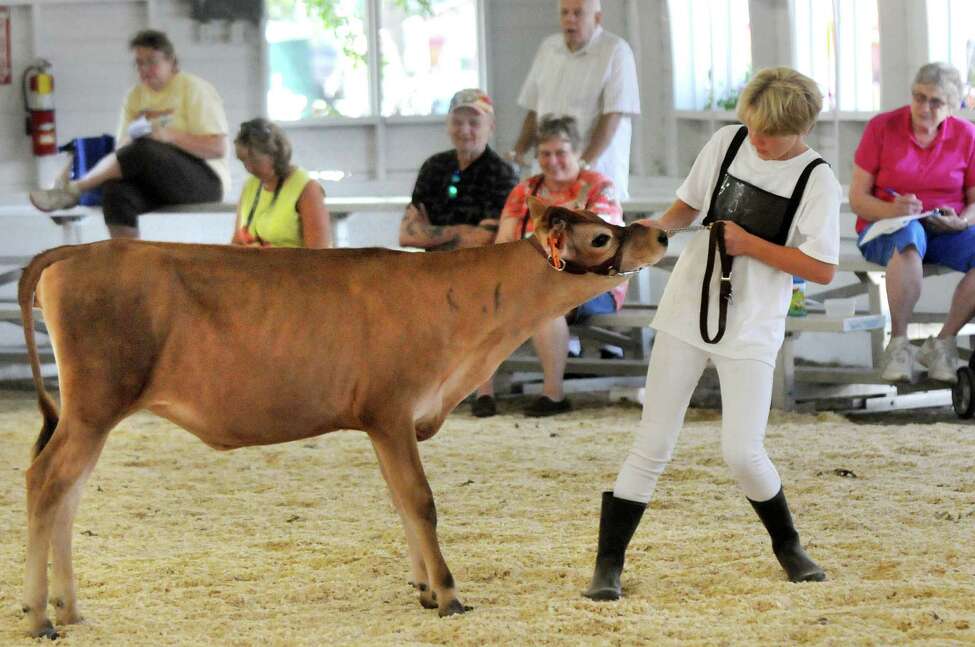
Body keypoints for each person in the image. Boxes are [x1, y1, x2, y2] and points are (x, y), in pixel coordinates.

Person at [583, 67, 840, 601]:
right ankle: (608, 565)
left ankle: (788, 545)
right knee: (653, 441)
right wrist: (638, 238)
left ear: (801, 130)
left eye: (769, 134)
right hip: (686, 311)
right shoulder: (727, 142)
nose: (758, 141)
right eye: (753, 128)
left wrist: (750, 245)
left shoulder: (817, 179)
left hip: (752, 324)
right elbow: (686, 208)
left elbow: (821, 269)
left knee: (742, 452)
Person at [30, 29, 230, 240]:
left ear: (171, 61)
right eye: (139, 63)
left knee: (145, 148)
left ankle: (74, 189)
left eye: (152, 62)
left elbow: (217, 148)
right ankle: (129, 264)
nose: (145, 69)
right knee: (115, 192)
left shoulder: (194, 89)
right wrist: (138, 139)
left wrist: (169, 136)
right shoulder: (135, 97)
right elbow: (123, 151)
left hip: (206, 181)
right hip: (155, 178)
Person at [491, 114, 626, 418]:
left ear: (578, 153)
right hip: (532, 280)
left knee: (545, 304)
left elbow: (600, 243)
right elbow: (504, 243)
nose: (552, 161)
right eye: (545, 154)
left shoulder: (599, 187)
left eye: (561, 152)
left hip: (594, 282)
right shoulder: (524, 191)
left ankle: (553, 393)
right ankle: (482, 393)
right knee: (484, 301)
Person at [849, 62, 975, 383]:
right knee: (908, 235)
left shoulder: (966, 135)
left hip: (944, 230)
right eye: (919, 97)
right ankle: (900, 343)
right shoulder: (883, 127)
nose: (924, 107)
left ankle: (943, 341)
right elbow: (858, 199)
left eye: (936, 102)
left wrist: (961, 221)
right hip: (886, 226)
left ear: (953, 106)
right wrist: (892, 210)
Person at [399, 88, 517, 418]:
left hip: (480, 268)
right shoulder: (434, 167)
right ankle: (422, 388)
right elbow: (407, 235)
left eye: (474, 122)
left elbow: (486, 239)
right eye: (459, 121)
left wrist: (435, 234)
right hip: (431, 267)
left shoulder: (500, 172)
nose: (465, 129)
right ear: (449, 125)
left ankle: (482, 391)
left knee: (474, 299)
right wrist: (459, 232)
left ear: (490, 126)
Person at [510, 0, 640, 200]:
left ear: (597, 18)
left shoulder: (616, 51)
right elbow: (534, 108)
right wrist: (516, 152)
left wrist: (581, 166)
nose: (570, 19)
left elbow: (612, 116)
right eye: (565, 13)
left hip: (595, 171)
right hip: (549, 171)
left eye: (578, 13)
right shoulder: (548, 47)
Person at [231, 118, 331, 249]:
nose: (249, 168)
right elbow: (235, 244)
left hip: (294, 268)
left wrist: (270, 255)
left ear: (275, 154)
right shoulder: (251, 185)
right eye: (244, 161)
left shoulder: (307, 188)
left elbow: (319, 255)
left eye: (255, 161)